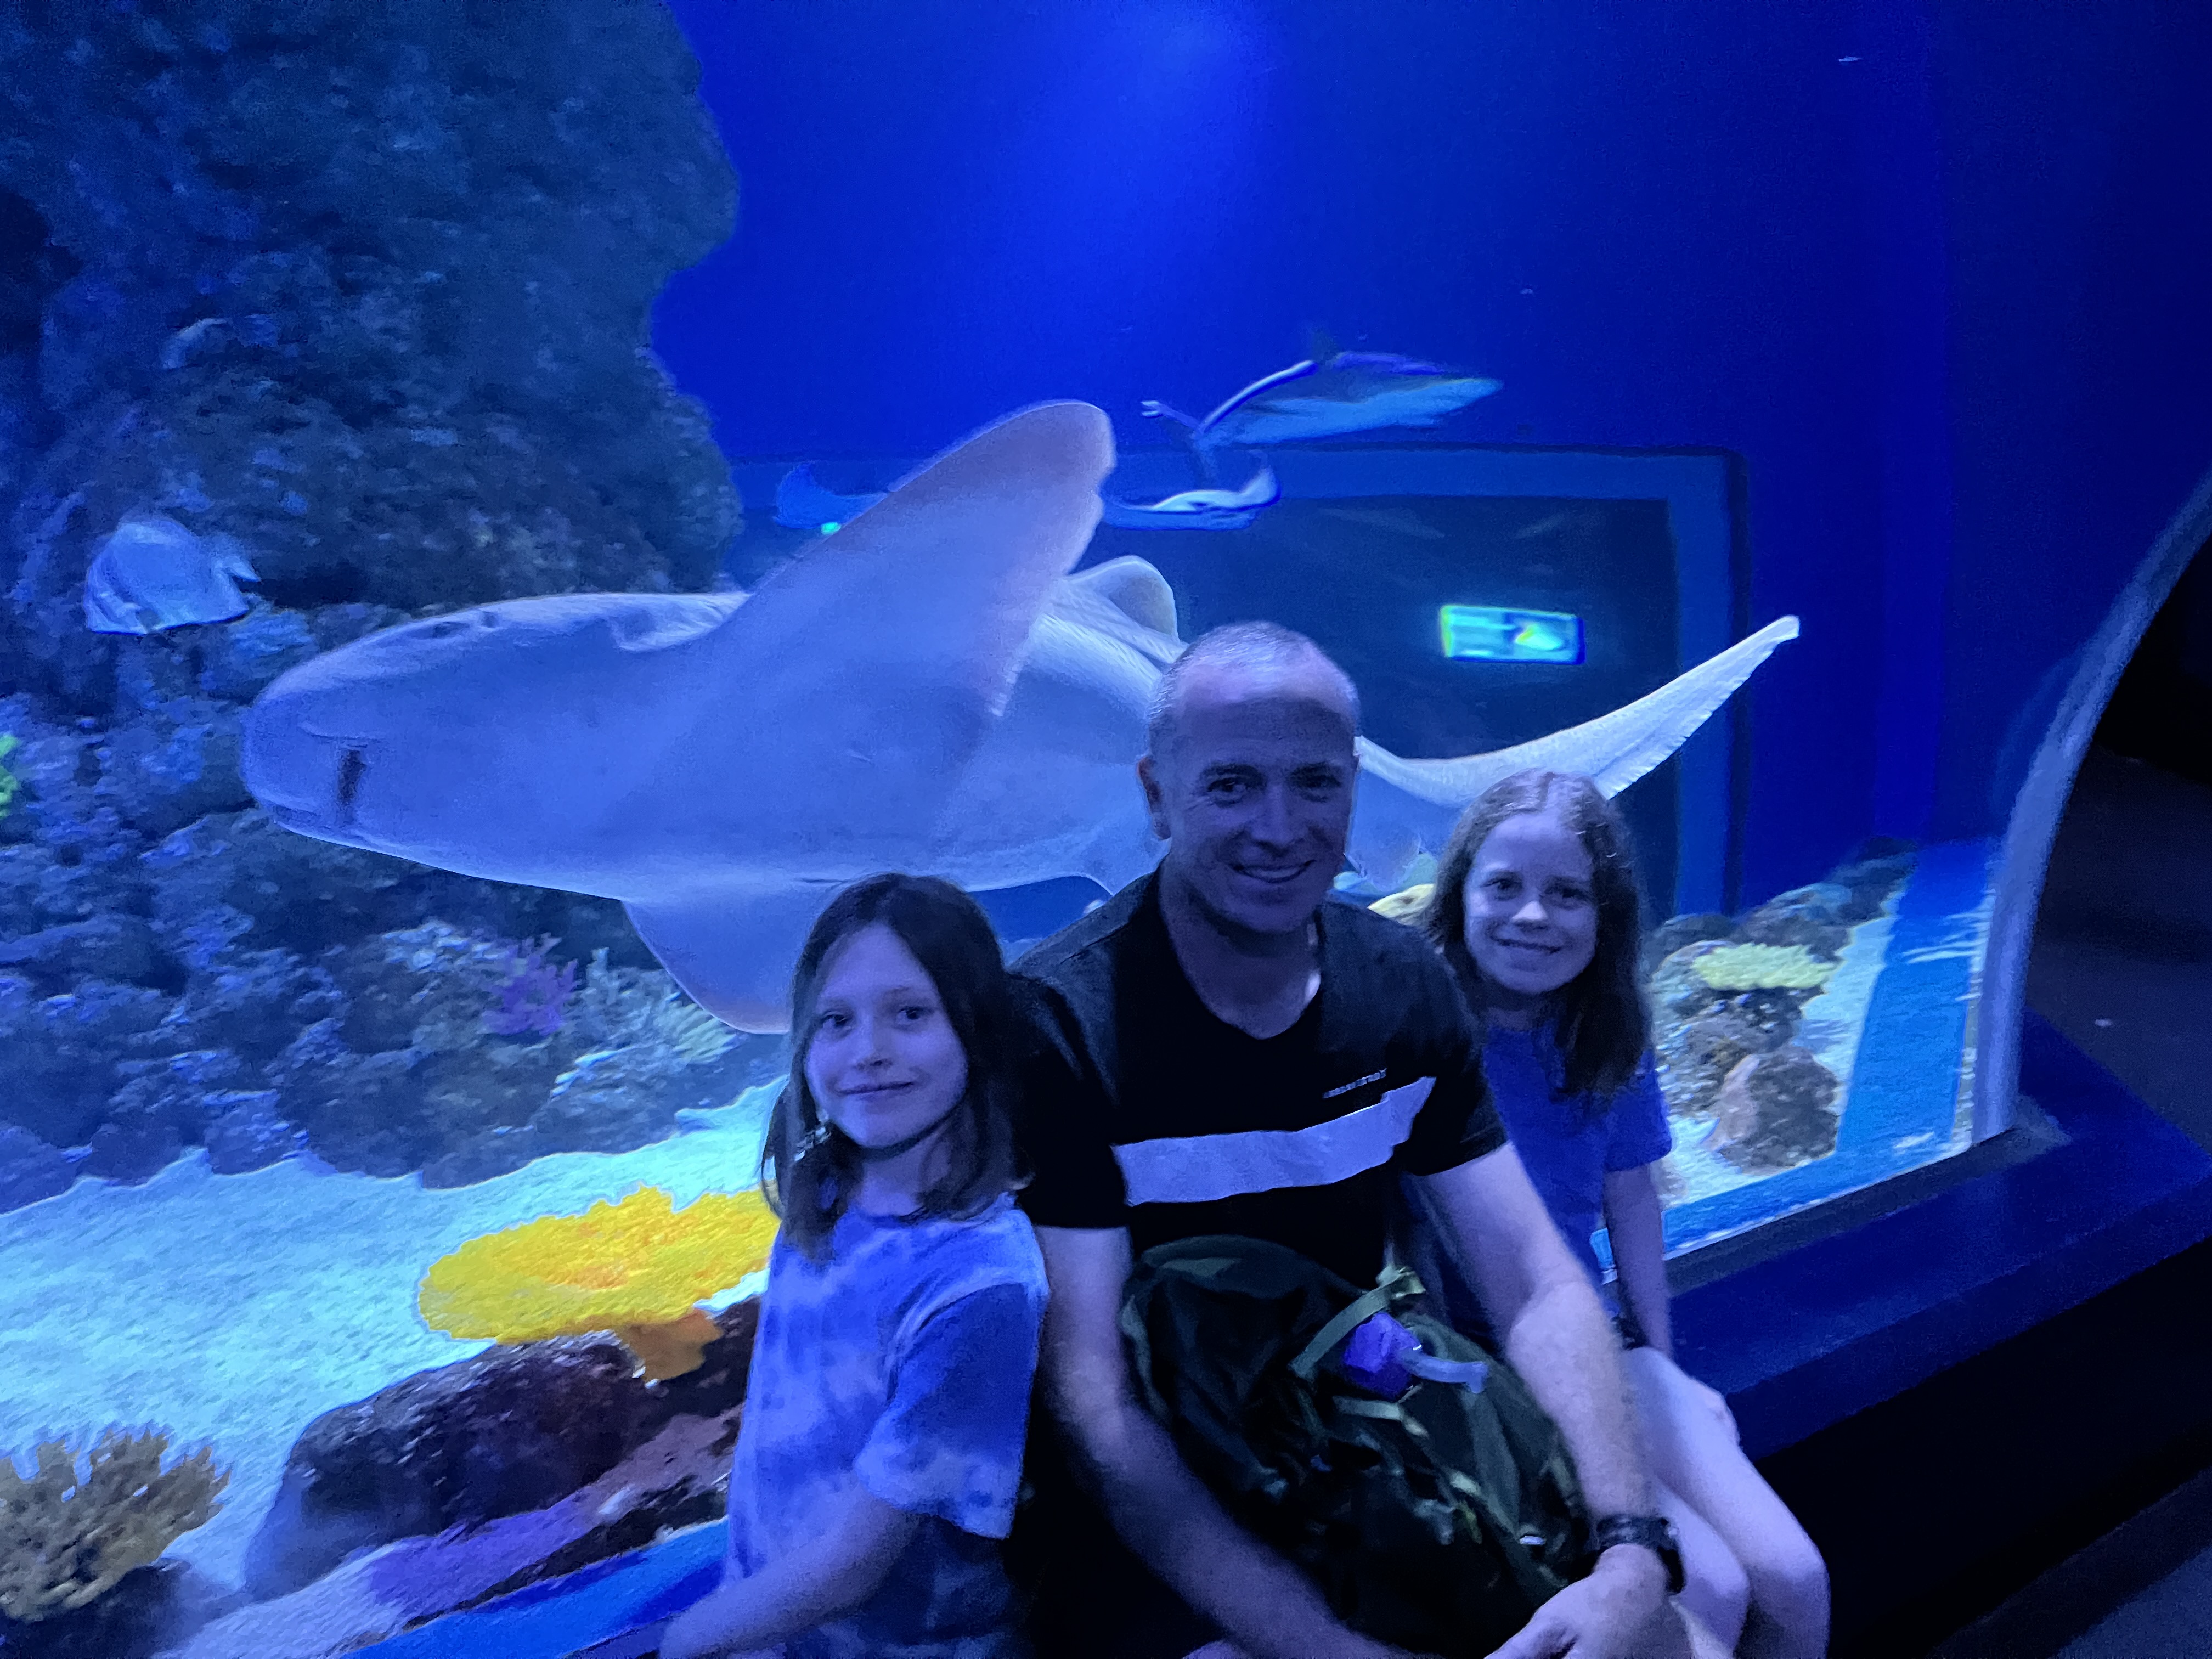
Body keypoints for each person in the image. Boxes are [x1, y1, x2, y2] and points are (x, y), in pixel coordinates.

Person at [1012, 622, 1713, 1659]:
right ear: (1157, 795)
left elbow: (1534, 1280)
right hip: (1161, 1507)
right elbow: (1099, 1413)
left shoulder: (1402, 985)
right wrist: (1326, 1651)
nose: (1280, 827)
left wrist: (1628, 1547)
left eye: (1315, 784)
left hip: (1361, 1452)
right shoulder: (1060, 1027)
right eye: (1232, 785)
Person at [1420, 769, 1830, 1659]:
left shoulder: (1607, 1027)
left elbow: (1631, 1195)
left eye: (1567, 893)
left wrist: (1661, 1359)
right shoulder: (1413, 1019)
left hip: (1588, 1333)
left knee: (1795, 1580)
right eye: (1505, 887)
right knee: (1709, 1586)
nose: (1533, 916)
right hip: (1467, 1351)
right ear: (1461, 892)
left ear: (1605, 912)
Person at [662, 874, 1049, 1659]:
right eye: (836, 1021)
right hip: (771, 1623)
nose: (869, 1053)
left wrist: (682, 1641)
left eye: (911, 1014)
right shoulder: (826, 1192)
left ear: (977, 1030)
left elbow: (853, 1567)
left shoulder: (981, 1285)